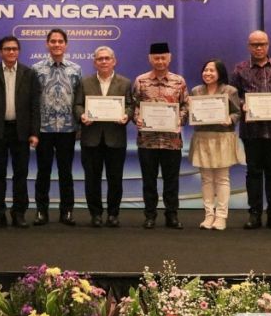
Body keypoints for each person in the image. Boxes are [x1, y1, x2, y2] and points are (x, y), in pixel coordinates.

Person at [230, 30, 271, 230]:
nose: (259, 48)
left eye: (262, 44)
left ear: (268, 45)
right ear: (249, 46)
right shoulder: (240, 69)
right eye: (254, 44)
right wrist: (242, 104)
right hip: (251, 131)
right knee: (253, 172)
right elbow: (233, 96)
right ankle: (254, 214)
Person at [0, 36, 41, 229]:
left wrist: (34, 132)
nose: (11, 52)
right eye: (7, 49)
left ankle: (19, 214)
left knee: (20, 175)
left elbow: (35, 106)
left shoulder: (29, 74)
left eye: (14, 49)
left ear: (19, 51)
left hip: (21, 131)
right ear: (0, 52)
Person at [132, 42, 189, 229]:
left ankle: (172, 215)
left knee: (171, 181)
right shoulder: (141, 81)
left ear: (169, 58)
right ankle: (150, 215)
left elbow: (186, 106)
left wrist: (179, 119)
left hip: (171, 141)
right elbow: (133, 106)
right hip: (147, 141)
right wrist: (137, 118)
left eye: (163, 57)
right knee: (149, 181)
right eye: (156, 58)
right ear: (150, 59)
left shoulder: (179, 81)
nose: (160, 61)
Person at [74, 46, 133, 228]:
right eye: (100, 59)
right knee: (92, 179)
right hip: (91, 138)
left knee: (115, 179)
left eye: (107, 58)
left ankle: (113, 214)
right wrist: (82, 115)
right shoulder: (84, 82)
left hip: (115, 138)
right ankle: (96, 214)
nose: (104, 62)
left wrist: (127, 115)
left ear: (114, 61)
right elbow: (77, 104)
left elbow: (130, 105)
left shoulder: (125, 83)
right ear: (94, 62)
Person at [31, 28, 82, 226]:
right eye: (53, 41)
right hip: (44, 129)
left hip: (67, 129)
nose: (57, 44)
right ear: (47, 44)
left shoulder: (75, 69)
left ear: (66, 45)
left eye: (60, 41)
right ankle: (41, 211)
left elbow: (79, 99)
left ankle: (67, 211)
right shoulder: (36, 69)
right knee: (43, 172)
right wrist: (33, 129)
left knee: (65, 172)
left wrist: (79, 126)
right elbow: (33, 101)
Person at [188, 59, 243, 231]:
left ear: (220, 73)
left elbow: (237, 112)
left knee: (222, 178)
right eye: (205, 70)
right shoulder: (196, 91)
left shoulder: (229, 90)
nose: (208, 73)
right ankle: (208, 215)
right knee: (206, 179)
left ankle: (221, 216)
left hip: (222, 137)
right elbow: (193, 113)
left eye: (212, 70)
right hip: (202, 136)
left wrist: (230, 119)